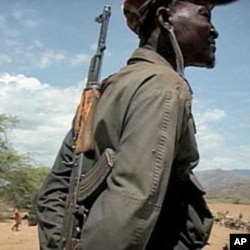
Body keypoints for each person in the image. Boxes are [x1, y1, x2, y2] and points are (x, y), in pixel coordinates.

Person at [37, 0, 238, 249]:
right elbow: (133, 199)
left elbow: (54, 191)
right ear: (165, 19)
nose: (213, 29)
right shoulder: (163, 85)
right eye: (205, 15)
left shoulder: (112, 86)